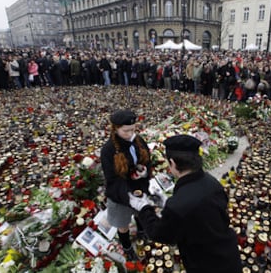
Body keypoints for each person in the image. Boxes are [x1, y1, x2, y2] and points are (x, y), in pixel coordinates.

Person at [128, 134, 242, 273]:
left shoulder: (177, 206)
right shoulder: (212, 182)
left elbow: (159, 233)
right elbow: (199, 212)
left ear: (173, 163)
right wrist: (166, 202)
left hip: (206, 265)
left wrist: (144, 208)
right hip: (228, 253)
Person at [100, 109, 151, 261]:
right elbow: (112, 178)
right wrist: (128, 196)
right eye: (126, 131)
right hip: (119, 193)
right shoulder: (108, 150)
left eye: (133, 130)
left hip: (138, 187)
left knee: (140, 213)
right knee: (123, 224)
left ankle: (142, 232)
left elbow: (147, 159)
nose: (130, 134)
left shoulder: (138, 141)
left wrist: (145, 171)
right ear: (115, 129)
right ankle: (127, 247)